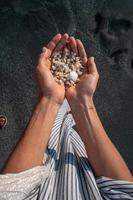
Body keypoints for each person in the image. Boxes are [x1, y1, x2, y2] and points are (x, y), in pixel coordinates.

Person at [0, 33, 133, 200]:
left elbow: (10, 189)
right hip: (85, 165)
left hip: (42, 167)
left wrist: (48, 100)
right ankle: (68, 108)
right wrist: (83, 104)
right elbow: (125, 191)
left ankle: (60, 106)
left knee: (55, 123)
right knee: (68, 126)